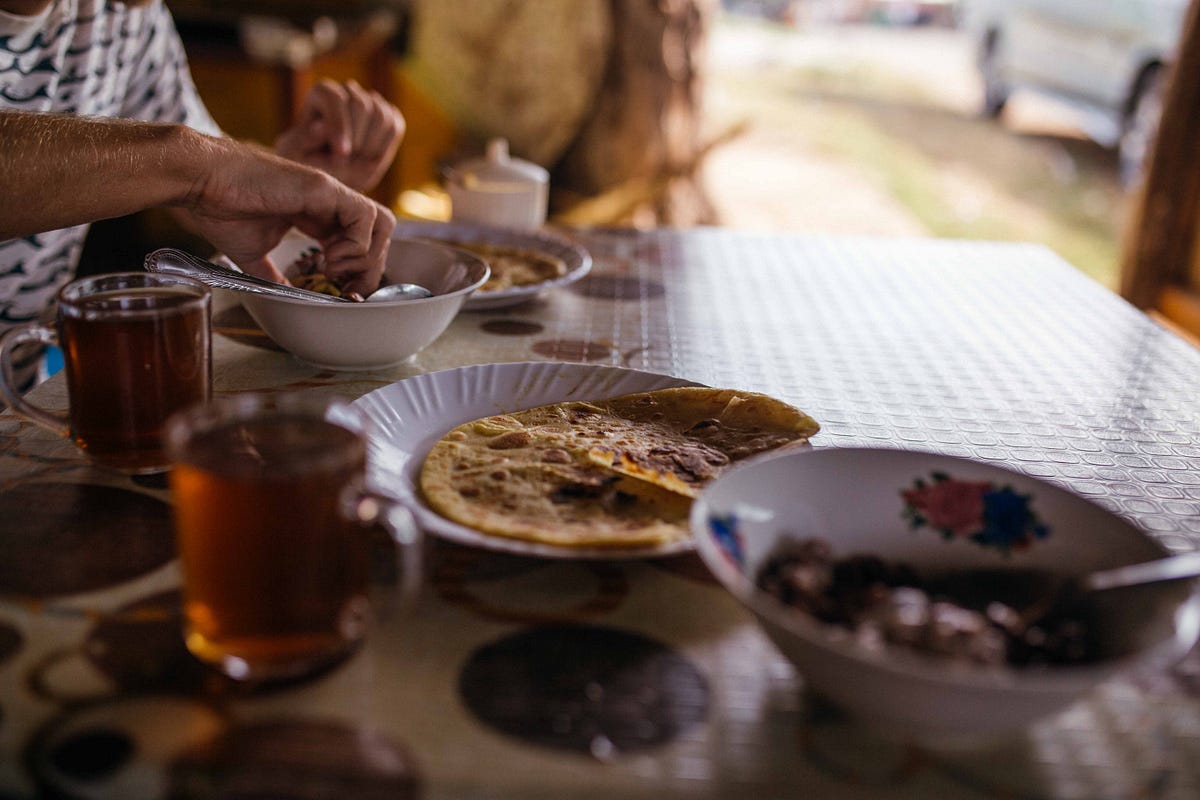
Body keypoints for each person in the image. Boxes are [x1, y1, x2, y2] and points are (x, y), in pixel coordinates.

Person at [0, 0, 406, 389]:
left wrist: (290, 172)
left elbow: (180, 171)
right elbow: (190, 167)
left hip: (19, 403)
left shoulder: (126, 11)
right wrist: (204, 170)